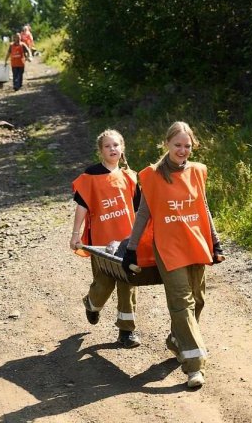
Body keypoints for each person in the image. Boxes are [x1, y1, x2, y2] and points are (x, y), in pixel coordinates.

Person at [121, 121, 224, 388]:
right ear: (166, 143)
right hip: (168, 248)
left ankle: (177, 340)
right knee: (181, 304)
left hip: (196, 244)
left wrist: (215, 241)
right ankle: (194, 366)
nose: (182, 150)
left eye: (187, 146)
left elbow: (203, 207)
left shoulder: (198, 172)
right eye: (177, 145)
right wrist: (131, 249)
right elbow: (143, 214)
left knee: (198, 301)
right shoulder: (152, 176)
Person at [70, 129, 153, 348]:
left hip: (127, 242)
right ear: (101, 151)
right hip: (101, 242)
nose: (112, 149)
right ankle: (92, 303)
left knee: (128, 283)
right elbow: (82, 207)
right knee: (104, 283)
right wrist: (75, 234)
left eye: (116, 145)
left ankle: (126, 332)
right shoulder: (90, 176)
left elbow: (140, 210)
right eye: (107, 146)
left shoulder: (130, 176)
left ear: (122, 148)